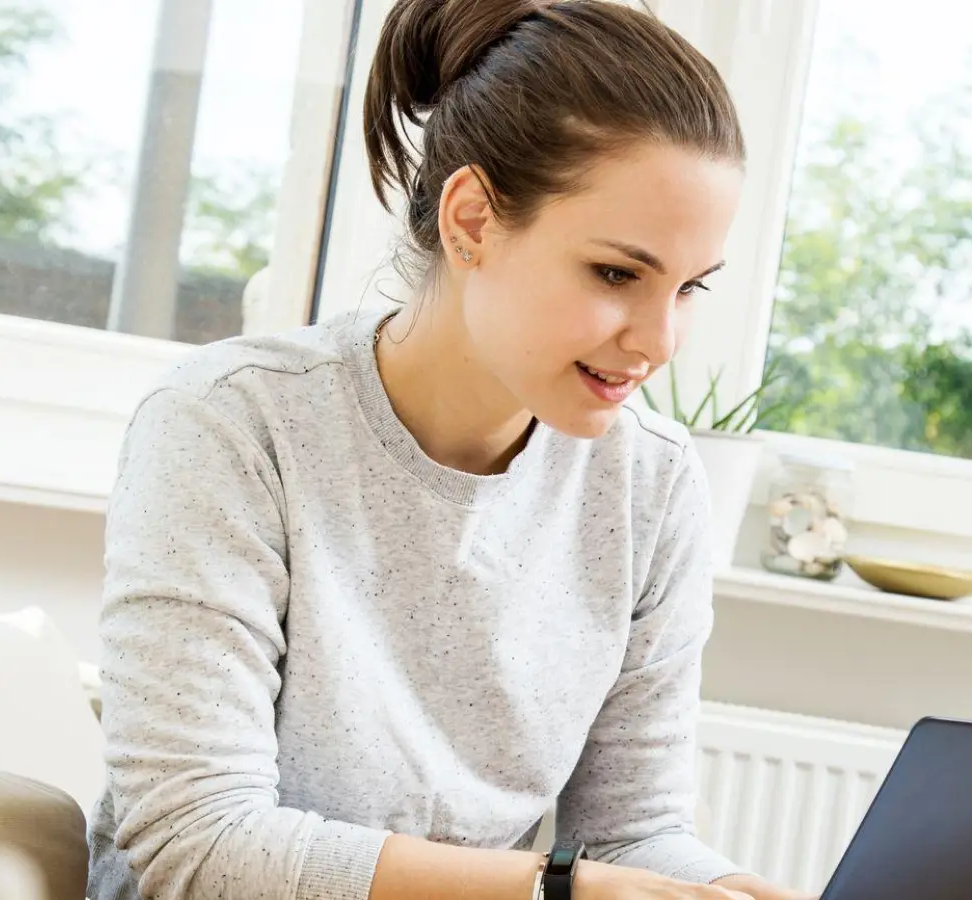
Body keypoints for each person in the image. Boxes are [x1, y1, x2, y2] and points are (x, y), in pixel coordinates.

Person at [85, 2, 810, 898]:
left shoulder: (649, 484)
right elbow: (197, 842)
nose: (660, 341)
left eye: (689, 287)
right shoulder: (232, 425)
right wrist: (558, 889)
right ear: (471, 221)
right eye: (617, 274)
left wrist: (730, 891)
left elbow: (632, 834)